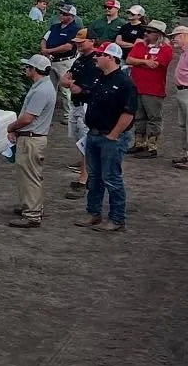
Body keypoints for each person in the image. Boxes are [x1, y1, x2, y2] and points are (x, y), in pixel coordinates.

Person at [74, 44, 137, 233]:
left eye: (100, 55)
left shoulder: (125, 83)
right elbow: (93, 97)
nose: (96, 57)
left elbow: (128, 113)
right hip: (95, 133)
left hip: (110, 136)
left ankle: (117, 219)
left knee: (111, 178)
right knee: (95, 177)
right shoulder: (101, 78)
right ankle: (94, 213)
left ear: (111, 58)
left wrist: (113, 135)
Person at [5, 55, 55, 229]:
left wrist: (11, 127)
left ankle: (32, 213)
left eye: (28, 67)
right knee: (31, 174)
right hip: (33, 137)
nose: (26, 69)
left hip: (32, 138)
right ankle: (31, 206)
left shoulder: (41, 90)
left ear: (34, 70)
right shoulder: (44, 86)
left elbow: (27, 118)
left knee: (30, 176)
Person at [126, 20, 175, 158]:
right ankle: (140, 144)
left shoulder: (166, 48)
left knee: (153, 117)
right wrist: (144, 62)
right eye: (145, 31)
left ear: (158, 34)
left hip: (154, 89)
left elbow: (155, 64)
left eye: (149, 32)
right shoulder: (140, 45)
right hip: (138, 86)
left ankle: (152, 147)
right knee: (139, 116)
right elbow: (129, 60)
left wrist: (139, 61)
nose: (145, 34)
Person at [63, 30, 101, 196]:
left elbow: (78, 87)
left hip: (87, 106)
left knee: (87, 144)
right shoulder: (80, 59)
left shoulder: (94, 62)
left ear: (92, 41)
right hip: (77, 104)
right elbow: (64, 80)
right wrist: (72, 83)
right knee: (81, 143)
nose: (77, 43)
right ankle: (85, 176)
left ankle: (84, 180)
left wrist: (71, 83)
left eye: (81, 41)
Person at [41, 3, 83, 123]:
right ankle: (48, 113)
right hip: (51, 60)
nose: (61, 15)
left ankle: (68, 115)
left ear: (72, 16)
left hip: (65, 62)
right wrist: (44, 50)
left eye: (65, 14)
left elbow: (68, 47)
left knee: (66, 90)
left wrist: (48, 50)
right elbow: (44, 39)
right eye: (61, 13)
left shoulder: (76, 29)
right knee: (49, 88)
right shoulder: (55, 27)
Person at [173, 25, 188, 170]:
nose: (173, 40)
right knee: (183, 125)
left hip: (187, 91)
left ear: (183, 35)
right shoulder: (184, 52)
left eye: (175, 36)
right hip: (182, 91)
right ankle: (186, 154)